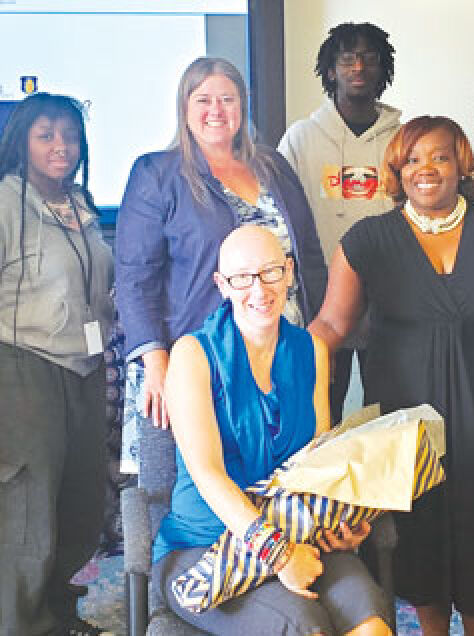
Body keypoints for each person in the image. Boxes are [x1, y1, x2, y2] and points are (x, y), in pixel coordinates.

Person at [309, 116, 474, 635]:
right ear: (397, 170)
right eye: (412, 159)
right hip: (406, 420)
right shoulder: (368, 240)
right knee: (418, 535)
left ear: (461, 164)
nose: (426, 169)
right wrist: (269, 363)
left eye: (440, 157)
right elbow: (330, 326)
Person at [154, 225, 391, 635]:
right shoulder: (192, 354)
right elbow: (207, 474)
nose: (259, 290)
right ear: (222, 285)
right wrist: (278, 556)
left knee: (372, 620)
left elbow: (316, 462)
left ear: (289, 272)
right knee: (304, 627)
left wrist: (343, 523)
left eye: (270, 272)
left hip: (298, 531)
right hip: (206, 549)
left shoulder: (311, 351)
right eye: (242, 278)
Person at [0, 93, 115, 636]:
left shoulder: (79, 202)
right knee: (22, 518)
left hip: (81, 373)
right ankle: (18, 626)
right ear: (22, 142)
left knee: (77, 504)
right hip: (17, 373)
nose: (62, 146)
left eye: (70, 135)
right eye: (47, 135)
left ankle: (57, 616)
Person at [115, 57, 327, 468]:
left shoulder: (274, 166)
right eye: (204, 99)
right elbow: (134, 279)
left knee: (284, 476)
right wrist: (157, 364)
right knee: (201, 480)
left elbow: (309, 258)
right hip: (199, 361)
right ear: (184, 107)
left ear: (243, 106)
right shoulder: (156, 173)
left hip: (282, 355)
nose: (217, 110)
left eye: (228, 99)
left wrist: (315, 346)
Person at [277, 22, 401, 423]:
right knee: (318, 415)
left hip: (390, 301)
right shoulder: (299, 139)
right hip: (321, 300)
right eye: (347, 58)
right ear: (330, 70)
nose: (359, 67)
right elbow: (278, 218)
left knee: (389, 412)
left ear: (384, 70)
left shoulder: (402, 138)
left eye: (370, 58)